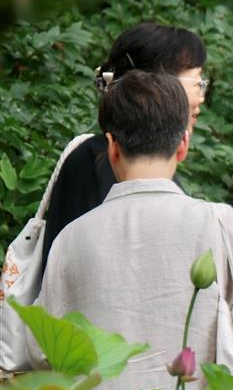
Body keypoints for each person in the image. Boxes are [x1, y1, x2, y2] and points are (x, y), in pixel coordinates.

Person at [32, 71, 233, 390]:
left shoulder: (71, 237)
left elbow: (40, 349)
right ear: (183, 145)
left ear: (112, 148)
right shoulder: (216, 221)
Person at [40, 22, 209, 277]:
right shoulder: (95, 160)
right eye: (198, 83)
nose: (202, 98)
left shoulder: (142, 161)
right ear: (155, 82)